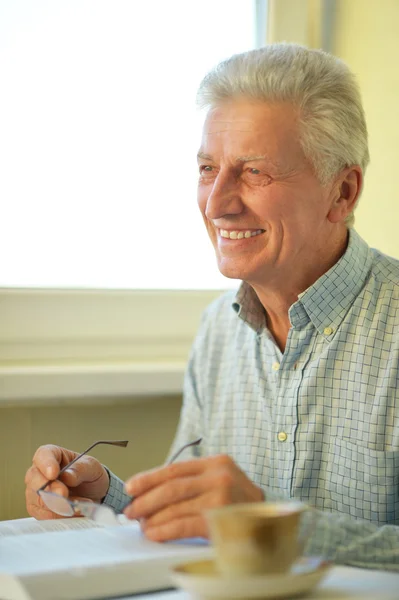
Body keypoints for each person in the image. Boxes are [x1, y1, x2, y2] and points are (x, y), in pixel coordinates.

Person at [24, 43, 399, 570]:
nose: (217, 203)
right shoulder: (216, 332)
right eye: (207, 169)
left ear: (342, 191)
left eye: (254, 173)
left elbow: (241, 516)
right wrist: (102, 495)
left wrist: (271, 523)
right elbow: (201, 517)